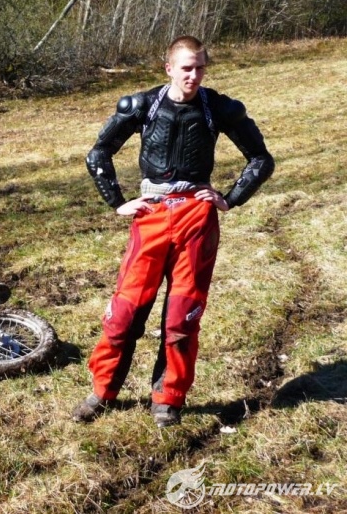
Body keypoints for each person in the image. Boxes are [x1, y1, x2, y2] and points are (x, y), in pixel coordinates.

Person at [72, 35, 275, 428]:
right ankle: (102, 391)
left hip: (196, 219)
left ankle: (168, 399)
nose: (193, 75)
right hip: (151, 215)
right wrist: (117, 201)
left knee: (182, 317)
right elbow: (98, 153)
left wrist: (230, 198)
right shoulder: (142, 106)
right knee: (124, 313)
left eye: (200, 68)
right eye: (186, 68)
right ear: (169, 68)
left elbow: (261, 159)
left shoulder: (219, 109)